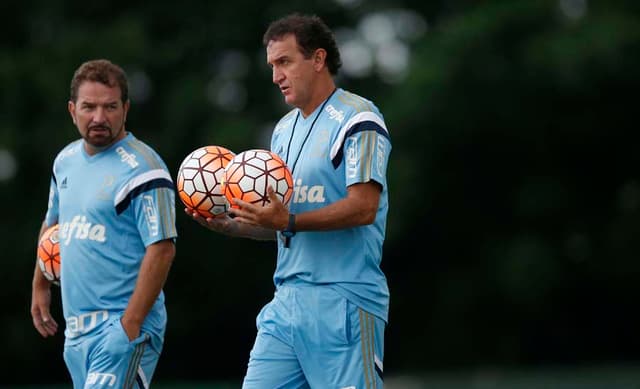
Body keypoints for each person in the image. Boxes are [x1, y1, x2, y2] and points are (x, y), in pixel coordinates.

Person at [188, 13, 391, 388]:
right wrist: (232, 225)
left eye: (284, 62)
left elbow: (364, 208)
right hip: (285, 305)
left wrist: (288, 222)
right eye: (272, 65)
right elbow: (281, 224)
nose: (275, 75)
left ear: (317, 59)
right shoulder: (282, 130)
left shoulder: (358, 118)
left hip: (343, 300)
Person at [30, 59, 178, 389]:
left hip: (122, 329)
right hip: (76, 332)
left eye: (110, 107)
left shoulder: (144, 169)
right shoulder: (65, 161)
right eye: (89, 107)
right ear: (72, 110)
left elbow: (163, 249)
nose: (99, 117)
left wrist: (130, 325)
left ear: (125, 108)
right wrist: (40, 285)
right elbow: (51, 224)